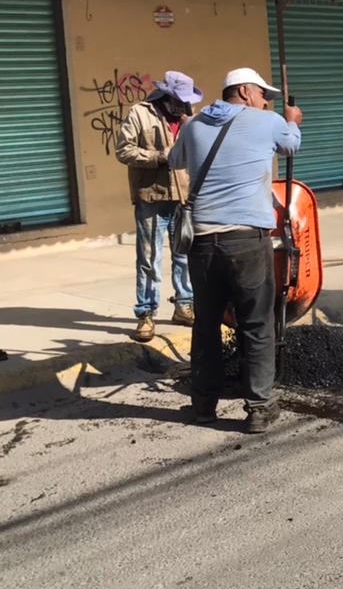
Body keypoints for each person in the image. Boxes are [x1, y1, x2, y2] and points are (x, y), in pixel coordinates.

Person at [168, 67, 302, 434]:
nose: (266, 101)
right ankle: (259, 407)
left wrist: (191, 127)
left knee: (206, 326)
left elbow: (173, 161)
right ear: (244, 91)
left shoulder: (194, 125)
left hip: (202, 244)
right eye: (263, 94)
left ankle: (203, 406)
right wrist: (292, 120)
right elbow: (292, 145)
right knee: (257, 324)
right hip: (245, 240)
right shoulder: (268, 120)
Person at [115, 70, 201, 342]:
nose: (184, 105)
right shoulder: (140, 113)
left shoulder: (190, 116)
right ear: (166, 96)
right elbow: (123, 150)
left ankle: (184, 304)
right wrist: (159, 157)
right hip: (153, 196)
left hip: (184, 196)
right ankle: (146, 313)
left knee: (185, 254)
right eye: (179, 100)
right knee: (150, 259)